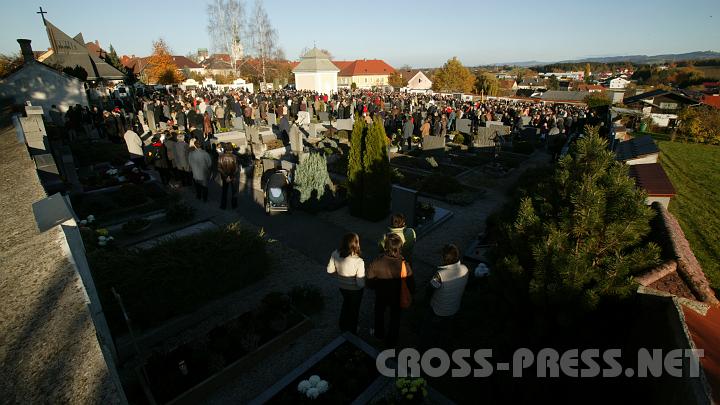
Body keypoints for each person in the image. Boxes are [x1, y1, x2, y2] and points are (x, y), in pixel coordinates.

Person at [367, 233, 414, 347]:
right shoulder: (404, 264)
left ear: (386, 247)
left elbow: (369, 281)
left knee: (379, 314)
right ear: (400, 247)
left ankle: (379, 334)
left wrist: (376, 286)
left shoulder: (376, 262)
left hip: (381, 295)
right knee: (395, 318)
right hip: (397, 296)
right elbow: (411, 284)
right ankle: (392, 340)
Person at [327, 233, 365, 333]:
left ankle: (342, 325)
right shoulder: (359, 262)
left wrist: (340, 276)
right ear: (356, 244)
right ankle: (352, 331)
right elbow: (360, 284)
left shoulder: (335, 253)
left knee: (346, 303)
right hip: (355, 291)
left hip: (342, 287)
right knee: (354, 310)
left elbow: (330, 271)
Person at [217, 142, 239, 209]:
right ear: (231, 149)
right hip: (233, 177)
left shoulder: (220, 157)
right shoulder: (234, 157)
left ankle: (223, 206)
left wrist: (226, 176)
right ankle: (234, 205)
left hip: (224, 177)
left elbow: (219, 168)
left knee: (224, 191)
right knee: (234, 191)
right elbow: (236, 169)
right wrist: (230, 176)